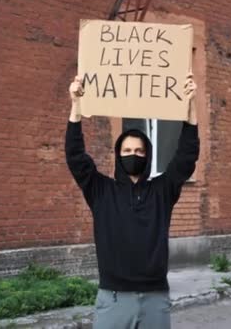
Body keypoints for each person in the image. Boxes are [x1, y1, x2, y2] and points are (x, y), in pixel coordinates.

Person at [65, 73, 199, 329]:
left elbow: (186, 157)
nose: (133, 155)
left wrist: (191, 107)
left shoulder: (163, 190)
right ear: (118, 155)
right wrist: (76, 105)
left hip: (155, 300)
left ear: (147, 156)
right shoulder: (100, 190)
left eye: (139, 151)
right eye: (127, 151)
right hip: (113, 300)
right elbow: (75, 157)